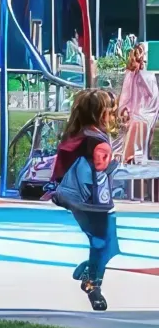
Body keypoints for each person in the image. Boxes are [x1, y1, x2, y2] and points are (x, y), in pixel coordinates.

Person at [52, 88, 121, 311]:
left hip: (76, 199)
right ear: (101, 114)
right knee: (105, 245)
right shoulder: (98, 139)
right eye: (110, 111)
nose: (112, 115)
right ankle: (93, 286)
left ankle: (88, 271)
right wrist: (116, 163)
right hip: (95, 201)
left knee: (101, 243)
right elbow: (101, 165)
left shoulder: (80, 133)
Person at [117, 44, 157, 164]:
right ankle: (138, 157)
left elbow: (126, 92)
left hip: (139, 112)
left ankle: (135, 157)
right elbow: (152, 94)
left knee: (137, 141)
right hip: (143, 113)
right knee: (140, 143)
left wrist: (124, 108)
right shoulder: (143, 73)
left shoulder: (134, 73)